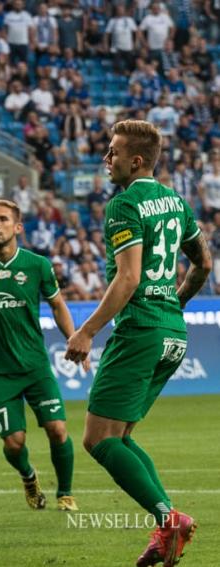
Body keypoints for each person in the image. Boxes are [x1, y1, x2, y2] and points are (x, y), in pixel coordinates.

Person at [65, 120, 211, 567]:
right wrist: (174, 304)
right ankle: (168, 527)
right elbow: (203, 263)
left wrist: (87, 330)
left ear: (137, 160)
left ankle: (169, 518)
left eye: (113, 152)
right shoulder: (177, 202)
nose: (106, 159)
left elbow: (127, 278)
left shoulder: (124, 205)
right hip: (172, 332)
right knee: (121, 435)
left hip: (142, 329)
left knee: (97, 439)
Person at [0, 198, 82, 512]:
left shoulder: (37, 265)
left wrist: (76, 339)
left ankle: (65, 494)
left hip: (35, 365)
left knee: (58, 429)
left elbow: (58, 305)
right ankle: (28, 476)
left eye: (2, 220)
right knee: (14, 443)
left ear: (18, 227)